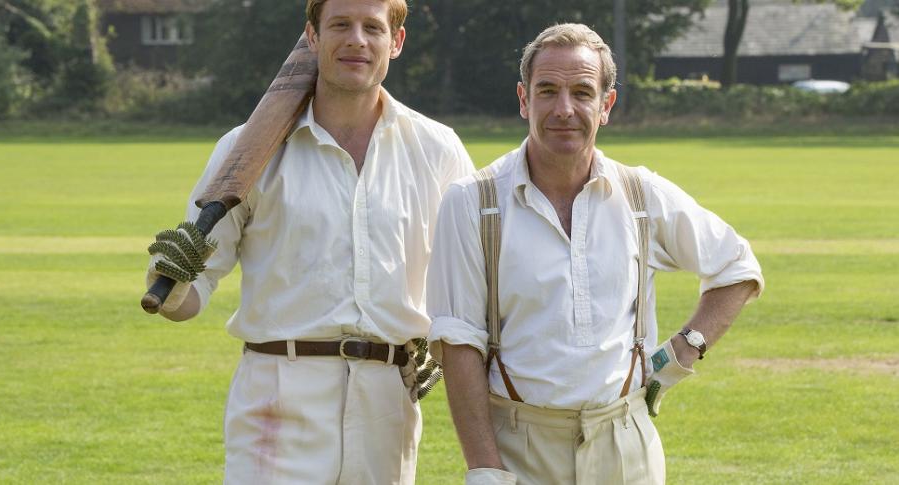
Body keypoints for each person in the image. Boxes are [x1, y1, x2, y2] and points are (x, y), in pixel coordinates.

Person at [145, 0, 474, 483]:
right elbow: (193, 295)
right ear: (312, 38)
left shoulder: (437, 148)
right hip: (278, 397)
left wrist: (435, 340)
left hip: (387, 399)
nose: (357, 40)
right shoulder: (246, 150)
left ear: (396, 42)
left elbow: (467, 281)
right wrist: (168, 281)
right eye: (340, 24)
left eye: (372, 28)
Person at [426, 23, 764, 485]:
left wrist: (679, 356)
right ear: (524, 99)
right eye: (548, 91)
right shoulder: (472, 201)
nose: (564, 109)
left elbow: (737, 267)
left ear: (606, 105)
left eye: (582, 92)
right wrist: (485, 469)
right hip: (518, 446)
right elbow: (459, 344)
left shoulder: (640, 194)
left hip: (626, 446)